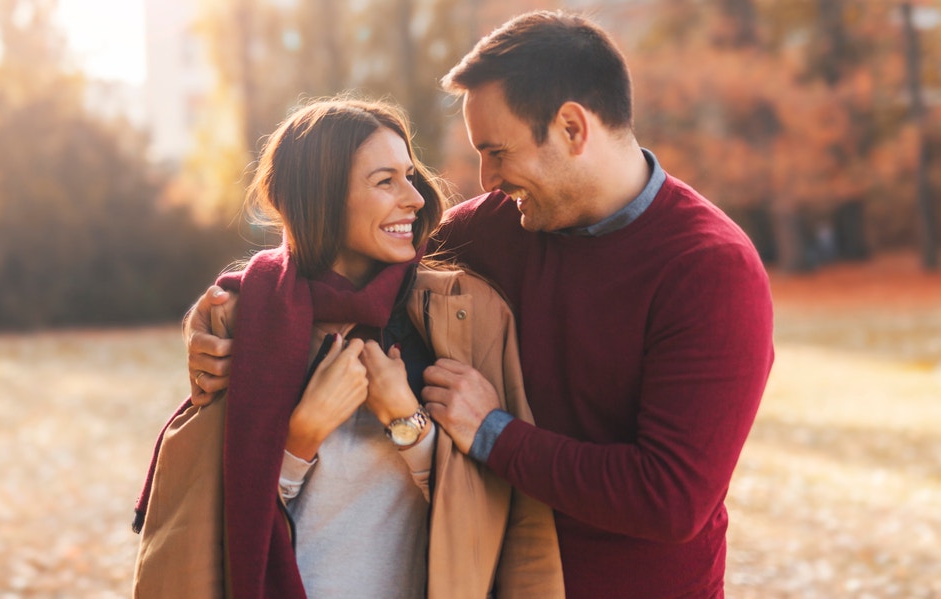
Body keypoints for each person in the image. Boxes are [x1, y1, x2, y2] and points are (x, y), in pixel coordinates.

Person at [185, 10, 775, 599]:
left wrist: (493, 432)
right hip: (499, 579)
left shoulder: (710, 270)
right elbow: (340, 253)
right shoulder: (500, 227)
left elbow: (668, 500)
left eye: (497, 151)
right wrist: (228, 312)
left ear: (572, 128)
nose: (486, 179)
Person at [132, 98, 564, 599]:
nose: (415, 198)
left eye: (410, 175)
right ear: (323, 199)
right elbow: (216, 527)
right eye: (385, 181)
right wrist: (301, 438)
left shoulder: (468, 314)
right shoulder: (245, 322)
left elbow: (511, 518)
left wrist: (407, 422)